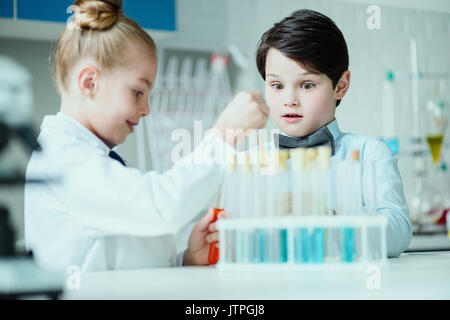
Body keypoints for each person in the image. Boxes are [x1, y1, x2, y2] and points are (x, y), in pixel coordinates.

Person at [24, 0, 269, 272]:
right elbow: (160, 206)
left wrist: (186, 259)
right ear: (90, 83)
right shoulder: (64, 160)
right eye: (138, 92)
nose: (146, 110)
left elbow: (123, 254)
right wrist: (224, 134)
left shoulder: (85, 156)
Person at [254, 9, 411, 257]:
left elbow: (399, 232)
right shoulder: (250, 161)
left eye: (307, 85)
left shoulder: (370, 154)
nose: (289, 100)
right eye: (277, 85)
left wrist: (335, 223)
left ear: (341, 85)